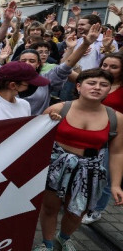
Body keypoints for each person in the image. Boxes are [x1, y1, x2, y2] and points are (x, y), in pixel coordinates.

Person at [34, 69, 123, 251]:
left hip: (90, 171)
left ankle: (64, 237)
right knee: (50, 208)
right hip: (55, 168)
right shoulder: (58, 109)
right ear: (79, 86)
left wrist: (115, 185)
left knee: (76, 212)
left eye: (104, 85)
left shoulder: (117, 119)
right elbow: (36, 141)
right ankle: (47, 243)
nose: (97, 87)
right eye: (92, 83)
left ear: (109, 90)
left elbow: (116, 153)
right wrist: (48, 124)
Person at [82, 52, 123, 224]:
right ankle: (80, 201)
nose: (108, 69)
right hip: (89, 133)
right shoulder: (95, 83)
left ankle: (96, 210)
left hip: (112, 137)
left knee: (105, 174)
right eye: (105, 65)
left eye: (114, 66)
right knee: (85, 170)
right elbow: (67, 72)